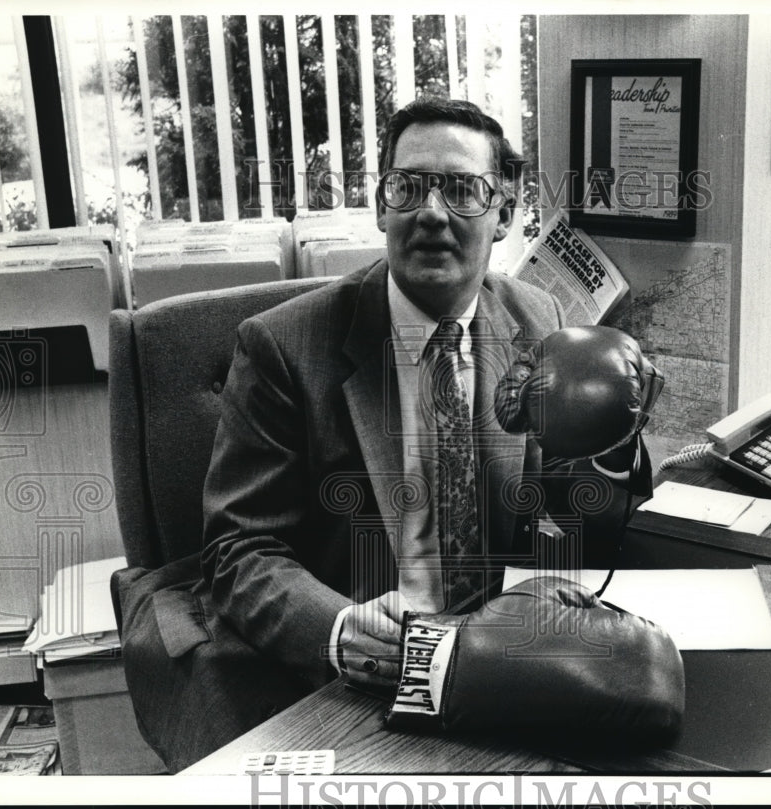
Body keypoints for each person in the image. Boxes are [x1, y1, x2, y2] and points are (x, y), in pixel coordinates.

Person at [120, 97, 653, 771]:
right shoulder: (283, 347)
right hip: (349, 685)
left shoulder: (535, 316)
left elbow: (565, 509)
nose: (431, 211)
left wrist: (611, 441)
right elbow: (239, 550)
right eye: (409, 186)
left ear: (505, 215)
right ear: (381, 207)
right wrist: (340, 629)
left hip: (492, 661)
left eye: (462, 190)